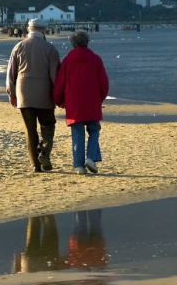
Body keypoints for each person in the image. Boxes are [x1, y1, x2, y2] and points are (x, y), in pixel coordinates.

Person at [6, 18, 61, 173]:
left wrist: (11, 93)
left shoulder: (18, 47)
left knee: (30, 130)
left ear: (28, 30)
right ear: (44, 30)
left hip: (23, 92)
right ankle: (44, 152)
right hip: (44, 93)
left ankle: (34, 164)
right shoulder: (50, 49)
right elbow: (55, 75)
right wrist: (58, 95)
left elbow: (11, 74)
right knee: (48, 125)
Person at [53, 30, 109, 175]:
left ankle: (79, 165)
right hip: (92, 100)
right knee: (94, 130)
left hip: (74, 102)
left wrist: (59, 101)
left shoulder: (67, 60)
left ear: (73, 43)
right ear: (87, 42)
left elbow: (60, 83)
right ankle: (90, 158)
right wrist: (99, 98)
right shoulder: (96, 59)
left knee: (77, 133)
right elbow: (104, 83)